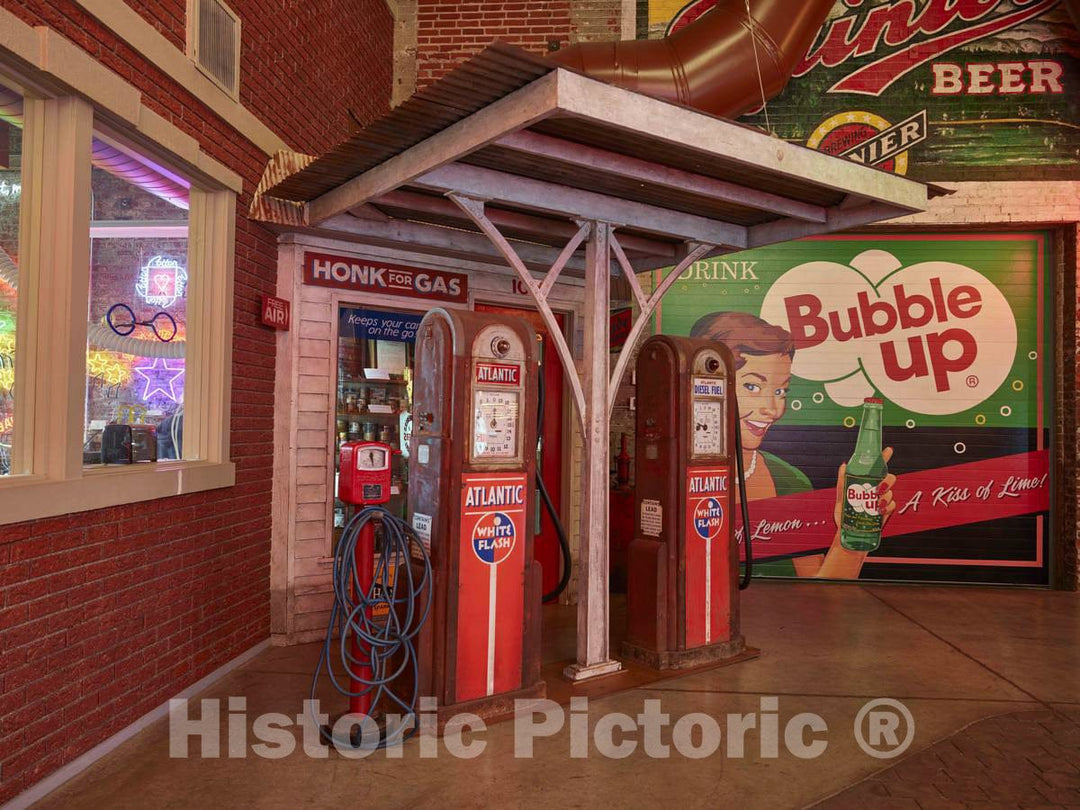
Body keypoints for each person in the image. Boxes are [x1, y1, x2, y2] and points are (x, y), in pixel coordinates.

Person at [690, 310, 896, 579]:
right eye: (752, 387)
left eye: (780, 391)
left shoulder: (789, 480)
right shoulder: (679, 473)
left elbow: (819, 596)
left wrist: (851, 536)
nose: (773, 410)